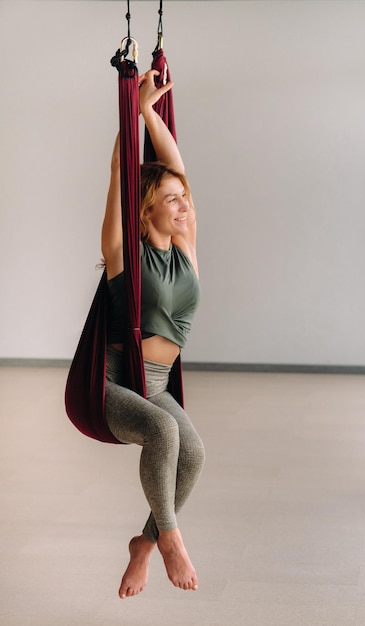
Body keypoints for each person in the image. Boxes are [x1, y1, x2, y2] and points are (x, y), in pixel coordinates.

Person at [101, 69, 205, 598]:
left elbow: (176, 168)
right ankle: (168, 539)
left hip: (158, 383)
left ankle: (141, 543)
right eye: (170, 199)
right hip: (118, 382)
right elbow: (123, 173)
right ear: (145, 210)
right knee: (164, 435)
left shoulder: (185, 247)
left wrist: (148, 112)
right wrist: (127, 122)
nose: (183, 204)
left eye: (182, 198)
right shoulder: (126, 256)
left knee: (195, 454)